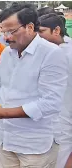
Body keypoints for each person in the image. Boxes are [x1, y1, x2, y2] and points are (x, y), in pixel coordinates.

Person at [0, 3, 68, 167]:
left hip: (35, 145)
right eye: (2, 31)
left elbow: (50, 103)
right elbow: (0, 81)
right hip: (8, 140)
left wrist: (3, 113)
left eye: (11, 32)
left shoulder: (51, 54)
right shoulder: (7, 53)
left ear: (30, 27)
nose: (5, 37)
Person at [38, 13, 72, 168]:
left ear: (56, 31)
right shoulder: (48, 51)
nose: (38, 36)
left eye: (42, 32)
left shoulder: (67, 53)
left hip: (65, 116)